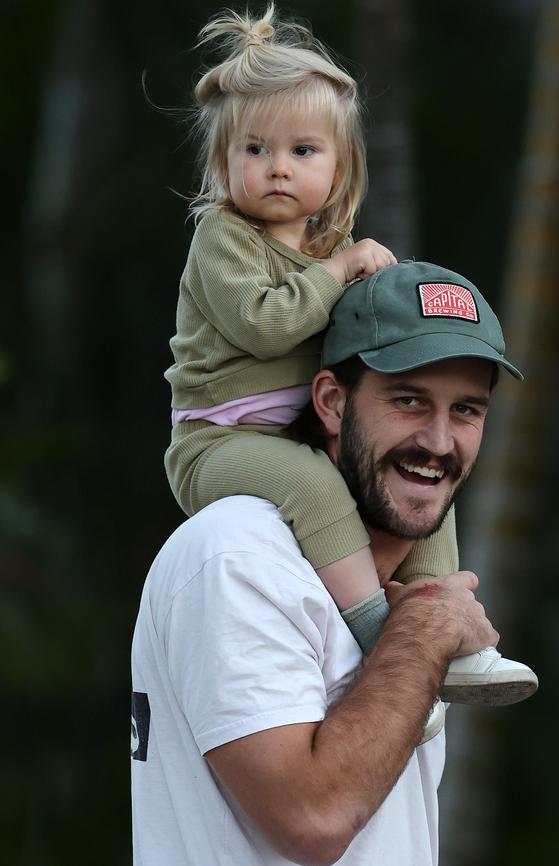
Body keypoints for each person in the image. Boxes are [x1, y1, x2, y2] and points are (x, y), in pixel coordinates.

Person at [163, 5, 536, 706]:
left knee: (428, 482)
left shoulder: (329, 252)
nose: (277, 169)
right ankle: (381, 643)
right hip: (217, 442)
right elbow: (264, 326)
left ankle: (453, 632)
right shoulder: (222, 237)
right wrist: (338, 274)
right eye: (255, 150)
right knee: (311, 484)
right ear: (224, 161)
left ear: (339, 169)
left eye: (302, 151)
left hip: (298, 430)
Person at [131, 260, 532, 865]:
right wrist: (422, 630)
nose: (440, 442)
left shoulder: (410, 590)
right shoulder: (238, 554)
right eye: (409, 401)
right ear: (332, 403)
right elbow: (313, 818)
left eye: (467, 410)